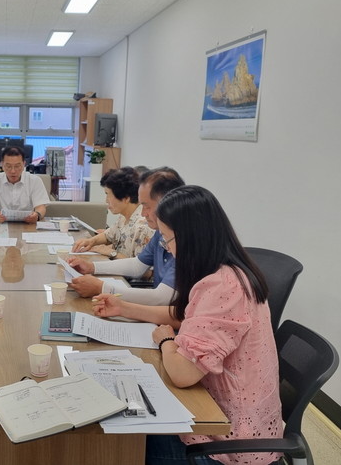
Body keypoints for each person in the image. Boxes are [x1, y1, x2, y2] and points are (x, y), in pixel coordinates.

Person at [92, 185, 282, 465]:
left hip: (227, 440)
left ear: (191, 237)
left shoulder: (222, 285)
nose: (167, 248)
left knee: (129, 434)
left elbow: (182, 374)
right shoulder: (227, 271)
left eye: (167, 239)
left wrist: (166, 341)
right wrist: (124, 308)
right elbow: (183, 316)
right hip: (225, 414)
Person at [68, 167, 184, 304]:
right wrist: (91, 267)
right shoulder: (160, 232)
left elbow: (162, 298)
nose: (142, 213)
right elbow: (137, 265)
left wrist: (101, 287)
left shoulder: (184, 239)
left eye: (147, 206)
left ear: (168, 203)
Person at [72, 166, 154, 259]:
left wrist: (112, 253)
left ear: (126, 198)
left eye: (108, 194)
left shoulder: (143, 228)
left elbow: (142, 266)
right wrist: (91, 241)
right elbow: (108, 235)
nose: (106, 200)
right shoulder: (123, 217)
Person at [0, 146, 50, 224]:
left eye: (17, 166)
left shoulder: (35, 181)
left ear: (24, 164)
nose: (13, 171)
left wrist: (37, 215)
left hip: (28, 224)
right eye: (8, 166)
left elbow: (41, 207)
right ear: (2, 164)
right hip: (1, 224)